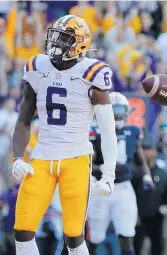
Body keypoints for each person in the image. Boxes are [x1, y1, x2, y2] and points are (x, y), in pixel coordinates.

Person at [11, 15, 118, 255]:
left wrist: (109, 172)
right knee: (23, 228)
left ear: (80, 44)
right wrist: (18, 157)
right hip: (42, 157)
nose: (56, 43)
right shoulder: (37, 67)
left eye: (65, 38)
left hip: (76, 158)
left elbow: (108, 129)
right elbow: (24, 119)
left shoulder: (92, 73)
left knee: (74, 236)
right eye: (56, 36)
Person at [87, 92, 155, 255]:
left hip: (124, 188)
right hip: (100, 187)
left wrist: (147, 175)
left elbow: (140, 157)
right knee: (94, 238)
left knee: (126, 235)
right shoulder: (96, 131)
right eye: (113, 108)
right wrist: (101, 168)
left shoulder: (133, 131)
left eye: (119, 109)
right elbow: (87, 163)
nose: (117, 113)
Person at [133, 144, 167, 255]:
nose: (147, 153)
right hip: (138, 217)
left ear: (155, 152)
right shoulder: (134, 172)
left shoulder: (163, 174)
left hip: (156, 217)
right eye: (144, 150)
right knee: (136, 247)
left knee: (157, 247)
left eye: (149, 149)